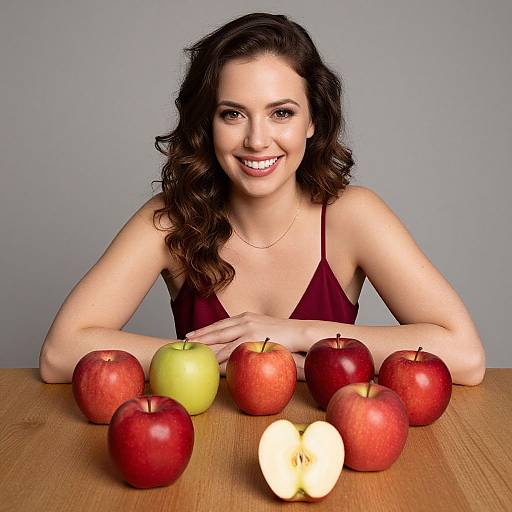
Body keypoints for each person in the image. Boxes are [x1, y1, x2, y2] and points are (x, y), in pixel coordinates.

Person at [39, 12, 485, 385]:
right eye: (232, 114)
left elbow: (465, 355)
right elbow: (60, 354)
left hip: (331, 446)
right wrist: (223, 361)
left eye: (281, 113)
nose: (257, 139)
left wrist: (295, 335)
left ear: (313, 120)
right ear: (207, 124)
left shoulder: (354, 216)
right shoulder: (170, 220)